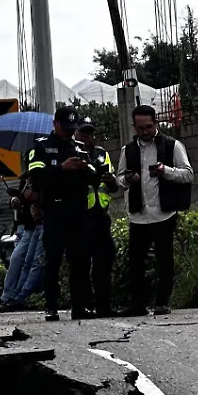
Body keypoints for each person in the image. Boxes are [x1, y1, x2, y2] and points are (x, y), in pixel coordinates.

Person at [24, 106, 106, 321]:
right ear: (55, 125)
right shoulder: (42, 147)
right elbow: (37, 178)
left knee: (80, 260)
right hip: (55, 209)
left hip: (78, 210)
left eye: (73, 128)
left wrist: (88, 168)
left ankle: (80, 306)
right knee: (53, 260)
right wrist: (62, 168)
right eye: (66, 128)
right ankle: (51, 306)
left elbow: (95, 179)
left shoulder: (79, 148)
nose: (70, 132)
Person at [120, 104, 194, 315]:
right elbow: (119, 179)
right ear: (134, 127)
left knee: (165, 260)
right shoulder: (128, 150)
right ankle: (138, 305)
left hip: (164, 212)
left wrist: (166, 171)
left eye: (149, 127)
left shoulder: (172, 145)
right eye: (140, 128)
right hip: (139, 215)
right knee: (136, 263)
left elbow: (188, 174)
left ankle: (162, 302)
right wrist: (127, 179)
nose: (145, 132)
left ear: (156, 124)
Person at [75, 119, 121, 318]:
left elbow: (112, 184)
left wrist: (110, 181)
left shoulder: (102, 154)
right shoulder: (72, 154)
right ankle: (84, 305)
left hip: (100, 214)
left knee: (105, 259)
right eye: (82, 134)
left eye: (89, 134)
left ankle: (104, 304)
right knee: (82, 263)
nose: (86, 138)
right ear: (76, 135)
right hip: (80, 215)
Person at [0, 181, 44, 311]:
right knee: (22, 261)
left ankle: (16, 297)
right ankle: (11, 297)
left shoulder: (43, 174)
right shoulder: (27, 177)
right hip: (27, 226)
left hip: (38, 224)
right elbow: (24, 199)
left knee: (33, 262)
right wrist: (16, 200)